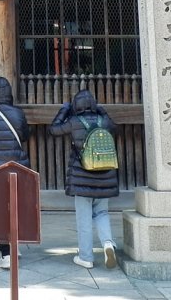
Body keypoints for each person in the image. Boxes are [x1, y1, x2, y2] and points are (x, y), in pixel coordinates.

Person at [48, 88, 119, 270]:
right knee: (102, 213)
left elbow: (54, 130)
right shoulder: (104, 121)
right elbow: (115, 127)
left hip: (82, 178)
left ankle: (86, 257)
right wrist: (101, 111)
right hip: (105, 176)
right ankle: (108, 244)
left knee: (84, 218)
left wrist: (64, 111)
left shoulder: (73, 121)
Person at [0, 76, 31, 270]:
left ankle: (6, 253)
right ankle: (14, 245)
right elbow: (25, 135)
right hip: (17, 166)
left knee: (0, 209)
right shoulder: (18, 113)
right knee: (15, 207)